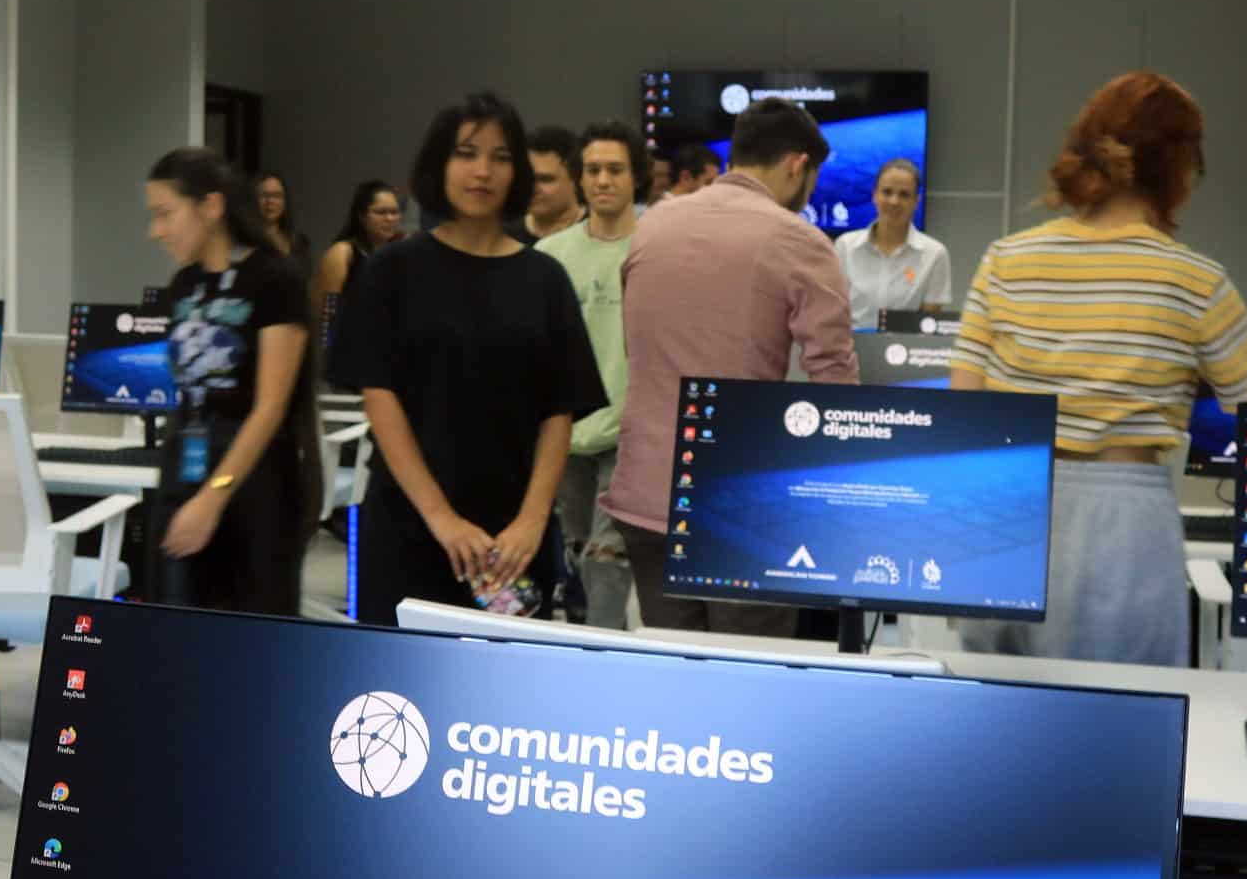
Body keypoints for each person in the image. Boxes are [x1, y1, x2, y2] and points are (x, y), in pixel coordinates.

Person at [950, 71, 1247, 667]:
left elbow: (964, 410)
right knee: (1117, 711)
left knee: (990, 705)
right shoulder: (1195, 280)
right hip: (1118, 520)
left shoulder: (1004, 260)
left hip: (1002, 507)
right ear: (1179, 168)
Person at [329, 92, 606, 626]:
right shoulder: (391, 271)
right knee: (397, 669)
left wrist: (531, 521)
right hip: (412, 521)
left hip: (512, 540)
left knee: (503, 677)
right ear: (439, 163)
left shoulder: (544, 279)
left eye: (501, 157)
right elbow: (379, 396)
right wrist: (442, 519)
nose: (483, 171)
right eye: (466, 153)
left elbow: (559, 409)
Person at [604, 97, 859, 634]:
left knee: (671, 667)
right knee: (749, 672)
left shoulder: (652, 226)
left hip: (645, 491)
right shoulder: (800, 241)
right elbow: (835, 385)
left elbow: (636, 350)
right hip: (743, 507)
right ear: (797, 165)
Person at [144, 147, 320, 616]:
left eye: (165, 214)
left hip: (255, 482)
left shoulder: (275, 280)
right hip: (185, 469)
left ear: (211, 206)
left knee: (250, 635)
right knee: (174, 627)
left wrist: (213, 497)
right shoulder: (184, 284)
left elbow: (270, 407)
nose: (156, 231)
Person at [537, 120, 646, 629]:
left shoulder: (656, 249)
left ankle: (600, 657)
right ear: (580, 177)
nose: (603, 180)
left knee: (607, 564)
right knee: (580, 558)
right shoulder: (549, 257)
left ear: (635, 177)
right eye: (593, 169)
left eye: (615, 170)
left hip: (631, 433)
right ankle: (591, 649)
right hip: (564, 433)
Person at [833, 158, 952, 329]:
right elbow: (832, 313)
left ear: (916, 201)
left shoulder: (935, 254)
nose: (894, 201)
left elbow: (927, 328)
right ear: (874, 195)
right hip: (850, 344)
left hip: (906, 345)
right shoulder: (845, 246)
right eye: (887, 192)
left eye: (904, 195)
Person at [313, 179, 403, 366]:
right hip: (351, 359)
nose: (389, 219)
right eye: (381, 212)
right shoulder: (343, 253)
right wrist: (331, 358)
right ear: (362, 216)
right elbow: (328, 316)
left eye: (394, 212)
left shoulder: (400, 253)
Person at [506, 125, 585, 243]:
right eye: (527, 178)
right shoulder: (503, 238)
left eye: (545, 179)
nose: (532, 188)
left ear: (576, 178)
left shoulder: (601, 231)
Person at [250, 170, 311, 265]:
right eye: (264, 195)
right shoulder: (242, 241)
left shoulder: (298, 242)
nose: (270, 201)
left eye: (277, 195)